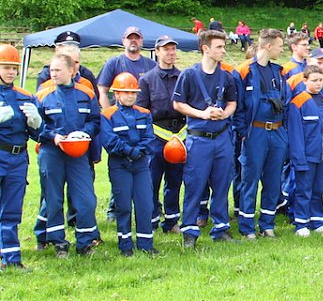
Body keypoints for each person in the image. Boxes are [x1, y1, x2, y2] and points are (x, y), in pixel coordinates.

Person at [172, 30, 238, 248]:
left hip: (222, 137)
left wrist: (224, 114)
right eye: (219, 47)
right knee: (194, 184)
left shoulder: (226, 76)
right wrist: (202, 114)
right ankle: (189, 230)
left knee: (222, 183)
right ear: (205, 48)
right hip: (199, 139)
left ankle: (221, 228)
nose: (223, 51)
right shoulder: (189, 75)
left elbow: (232, 103)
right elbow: (178, 104)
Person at [35, 53, 102, 257]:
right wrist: (54, 137)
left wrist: (84, 134)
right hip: (52, 152)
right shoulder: (42, 94)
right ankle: (58, 243)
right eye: (51, 70)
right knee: (54, 199)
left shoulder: (86, 93)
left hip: (78, 153)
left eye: (58, 70)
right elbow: (36, 126)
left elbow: (95, 121)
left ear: (72, 71)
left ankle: (85, 242)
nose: (53, 74)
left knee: (86, 199)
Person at [235, 29, 290, 239]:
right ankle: (247, 227)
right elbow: (238, 105)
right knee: (250, 179)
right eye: (279, 45)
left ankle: (267, 224)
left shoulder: (280, 72)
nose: (281, 49)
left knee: (273, 180)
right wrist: (242, 133)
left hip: (276, 132)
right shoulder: (243, 71)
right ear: (268, 46)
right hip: (255, 132)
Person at [100, 73, 157, 256]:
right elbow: (109, 141)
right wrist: (130, 151)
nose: (130, 96)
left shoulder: (144, 113)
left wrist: (139, 151)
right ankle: (125, 245)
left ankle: (146, 244)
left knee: (145, 203)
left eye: (133, 92)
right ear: (116, 94)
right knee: (123, 205)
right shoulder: (108, 115)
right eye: (126, 92)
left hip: (140, 165)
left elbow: (150, 138)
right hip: (120, 165)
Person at [137, 35, 185, 234]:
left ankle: (172, 221)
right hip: (156, 136)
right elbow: (141, 111)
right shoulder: (146, 79)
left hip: (179, 134)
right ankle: (151, 219)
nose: (170, 53)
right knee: (152, 181)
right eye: (166, 49)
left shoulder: (184, 76)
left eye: (173, 49)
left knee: (175, 181)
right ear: (157, 52)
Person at [0, 45, 41, 270]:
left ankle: (12, 259)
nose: (10, 73)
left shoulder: (25, 96)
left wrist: (37, 122)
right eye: (6, 68)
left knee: (12, 209)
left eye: (14, 68)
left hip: (18, 158)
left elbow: (37, 134)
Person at [288, 65, 323, 235]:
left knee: (318, 188)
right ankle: (301, 224)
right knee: (304, 189)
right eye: (314, 80)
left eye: (320, 80)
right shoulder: (298, 103)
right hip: (307, 155)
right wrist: (298, 158)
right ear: (305, 81)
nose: (318, 84)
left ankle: (318, 221)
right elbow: (295, 134)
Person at [96, 26, 157, 110]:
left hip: (144, 116)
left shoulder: (152, 65)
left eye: (137, 38)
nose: (133, 41)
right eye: (130, 38)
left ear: (141, 41)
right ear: (123, 41)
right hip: (120, 115)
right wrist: (110, 116)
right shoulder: (113, 63)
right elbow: (102, 91)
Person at [36, 31, 99, 97]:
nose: (73, 66)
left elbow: (94, 101)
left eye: (76, 62)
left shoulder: (86, 76)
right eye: (68, 61)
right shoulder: (46, 77)